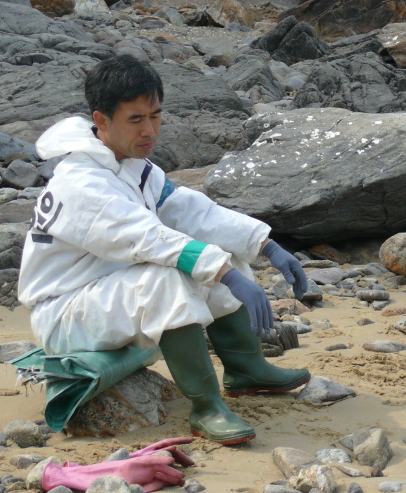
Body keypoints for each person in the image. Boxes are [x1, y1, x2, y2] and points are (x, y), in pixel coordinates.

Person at [17, 55, 311, 445]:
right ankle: (206, 408)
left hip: (106, 292)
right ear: (101, 120)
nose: (150, 130)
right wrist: (227, 274)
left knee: (218, 251)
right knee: (170, 275)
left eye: (155, 116)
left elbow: (192, 211)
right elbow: (147, 238)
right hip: (65, 314)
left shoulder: (135, 167)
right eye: (135, 120)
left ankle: (246, 369)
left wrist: (266, 244)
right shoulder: (81, 182)